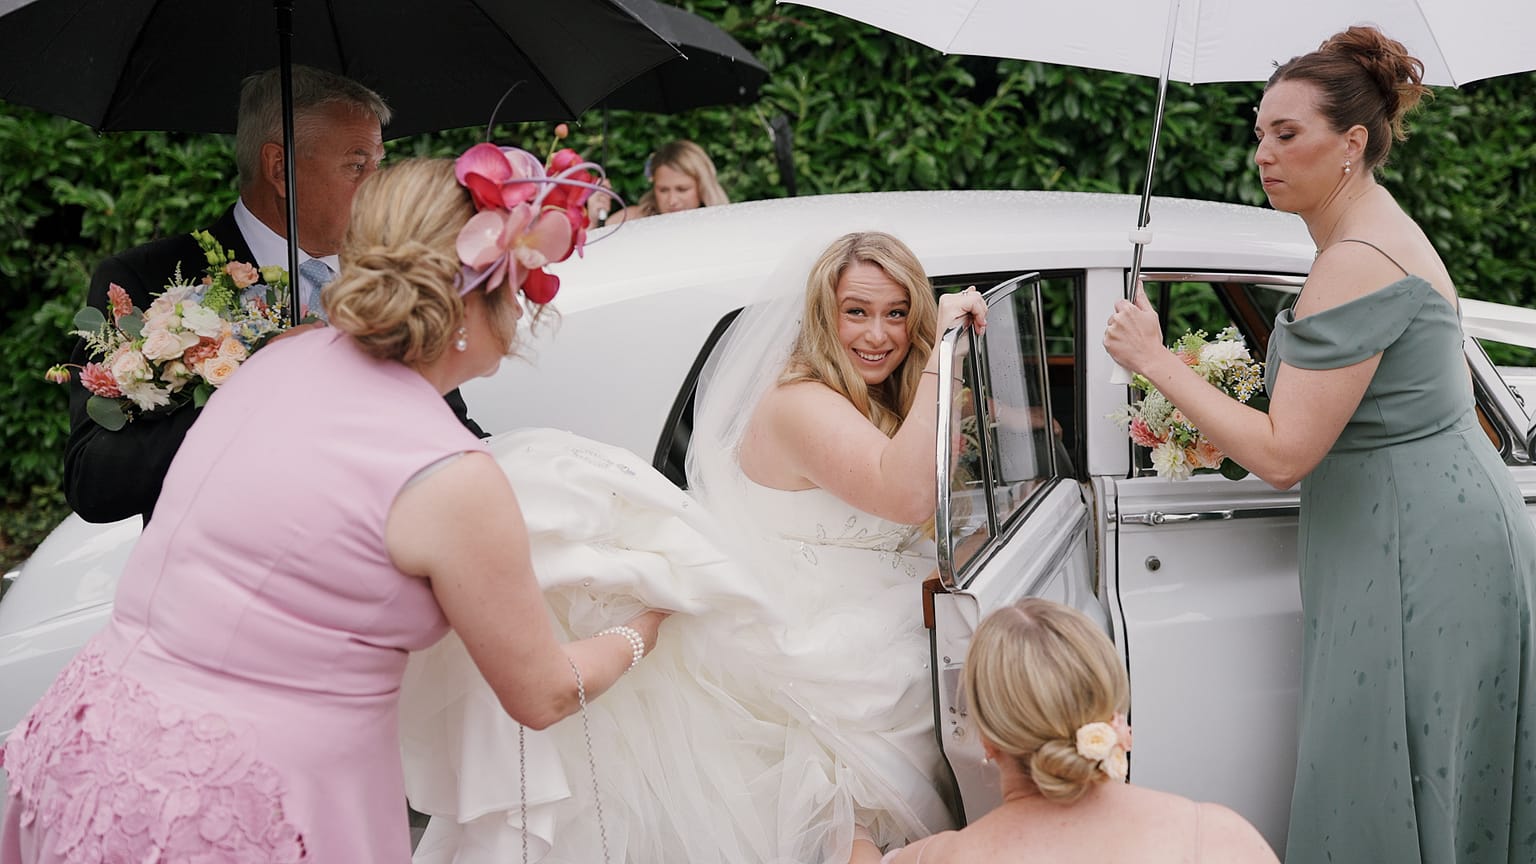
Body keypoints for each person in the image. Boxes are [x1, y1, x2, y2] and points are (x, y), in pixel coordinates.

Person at [0, 154, 667, 863]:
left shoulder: (279, 360)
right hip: (241, 806)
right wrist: (653, 619)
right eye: (523, 286)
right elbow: (542, 694)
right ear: (477, 297)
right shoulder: (452, 478)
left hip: (88, 749)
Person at [397, 231, 988, 864]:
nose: (879, 335)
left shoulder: (872, 397)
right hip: (794, 651)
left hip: (871, 632)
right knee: (825, 813)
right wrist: (942, 352)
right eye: (857, 312)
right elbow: (904, 496)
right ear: (823, 314)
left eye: (897, 314)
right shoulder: (801, 401)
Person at [1104, 25, 1536, 863]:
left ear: (1353, 144)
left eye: (1286, 134)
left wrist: (1156, 362)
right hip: (1415, 526)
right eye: (1259, 133)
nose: (1262, 152)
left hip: (1420, 550)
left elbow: (1282, 455)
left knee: (1385, 762)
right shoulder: (1362, 236)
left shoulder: (1358, 260)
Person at [60, 65, 484, 526]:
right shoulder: (146, 278)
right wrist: (251, 388)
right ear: (280, 169)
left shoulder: (390, 277)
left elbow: (447, 427)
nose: (376, 186)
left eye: (378, 164)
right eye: (357, 165)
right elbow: (94, 483)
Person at [881, 599, 1279, 864]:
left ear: (987, 739)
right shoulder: (1217, 836)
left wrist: (851, 835)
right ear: (1115, 713)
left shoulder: (939, 858)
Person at [592, 139, 728, 227]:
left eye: (682, 189)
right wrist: (593, 220)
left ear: (703, 186)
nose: (672, 200)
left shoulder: (723, 224)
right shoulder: (630, 220)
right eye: (663, 190)